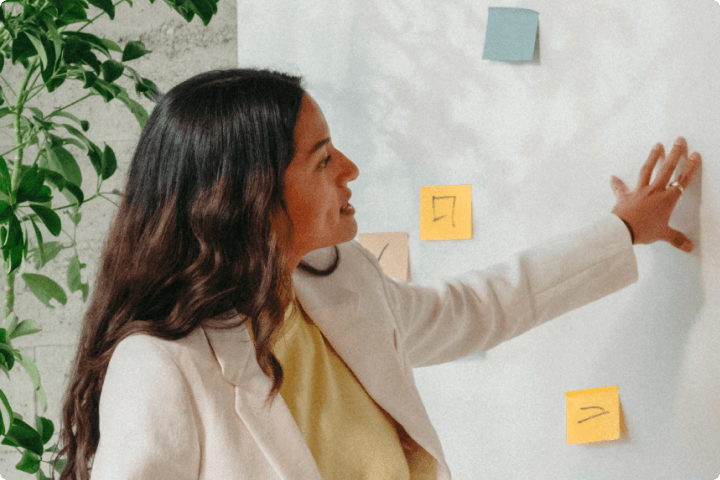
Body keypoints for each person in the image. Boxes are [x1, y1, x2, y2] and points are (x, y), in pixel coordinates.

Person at [55, 68, 701, 480]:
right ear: (250, 194)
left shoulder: (339, 284)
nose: (351, 171)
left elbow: (479, 308)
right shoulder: (162, 364)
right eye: (323, 159)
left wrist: (621, 231)